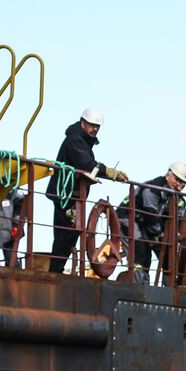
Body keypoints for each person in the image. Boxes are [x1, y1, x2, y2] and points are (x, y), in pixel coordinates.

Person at [45, 107, 128, 273]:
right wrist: (109, 172)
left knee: (68, 233)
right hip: (66, 194)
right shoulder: (75, 140)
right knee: (67, 234)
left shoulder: (81, 140)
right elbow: (87, 164)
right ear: (83, 123)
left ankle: (56, 269)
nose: (95, 129)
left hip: (70, 194)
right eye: (92, 125)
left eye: (97, 126)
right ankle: (55, 271)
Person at [120, 161, 186, 280]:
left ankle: (169, 287)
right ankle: (139, 286)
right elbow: (150, 217)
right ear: (168, 175)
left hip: (146, 224)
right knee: (139, 251)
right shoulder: (153, 189)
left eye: (183, 183)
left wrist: (170, 237)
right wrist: (161, 235)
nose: (180, 185)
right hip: (128, 217)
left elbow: (173, 220)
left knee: (168, 255)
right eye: (177, 180)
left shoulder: (178, 199)